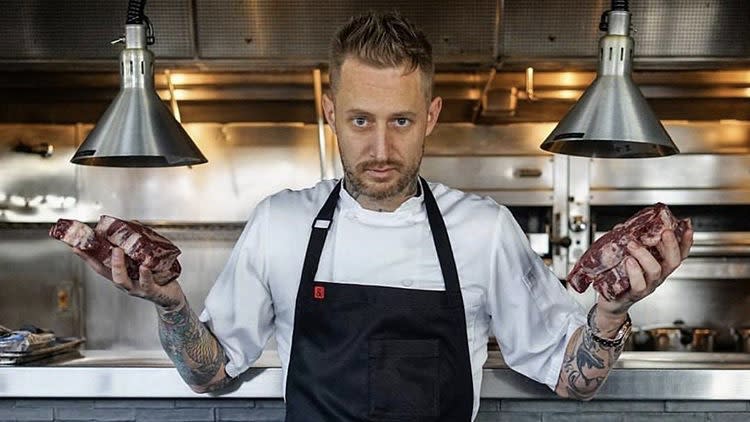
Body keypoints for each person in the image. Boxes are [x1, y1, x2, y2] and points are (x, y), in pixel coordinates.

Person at [73, 11, 693, 422]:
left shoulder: (483, 230)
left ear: (430, 116)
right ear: (330, 112)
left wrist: (611, 313)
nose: (380, 149)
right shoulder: (281, 224)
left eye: (400, 121)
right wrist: (172, 305)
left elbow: (570, 378)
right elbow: (211, 374)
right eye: (360, 120)